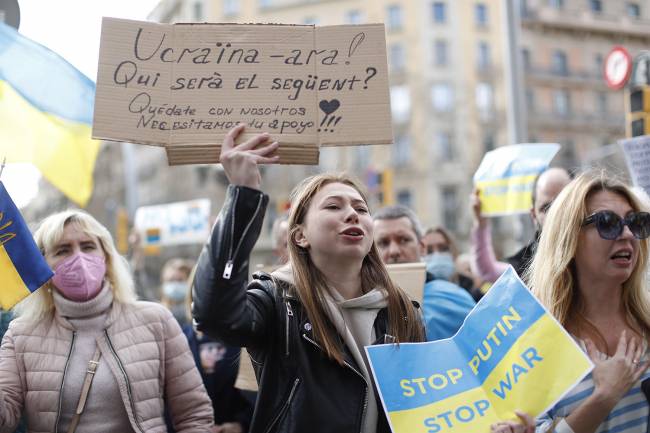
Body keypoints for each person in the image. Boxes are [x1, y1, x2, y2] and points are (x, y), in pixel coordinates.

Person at [192, 125, 425, 433]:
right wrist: (243, 196)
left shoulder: (404, 311)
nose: (353, 215)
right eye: (333, 206)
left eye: (361, 208)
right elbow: (214, 315)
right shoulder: (277, 302)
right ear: (300, 235)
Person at [0, 210, 213, 433]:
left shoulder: (156, 321)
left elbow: (194, 414)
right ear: (42, 265)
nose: (79, 257)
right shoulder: (20, 336)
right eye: (63, 250)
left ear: (106, 256)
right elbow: (5, 421)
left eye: (88, 246)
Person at [493, 171, 650, 433]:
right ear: (569, 237)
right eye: (607, 222)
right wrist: (604, 397)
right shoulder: (535, 343)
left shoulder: (645, 324)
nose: (627, 234)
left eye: (635, 222)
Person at [372, 205, 476, 340]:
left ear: (422, 247)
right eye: (383, 243)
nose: (394, 251)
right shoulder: (362, 306)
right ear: (371, 251)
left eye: (404, 240)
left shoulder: (455, 298)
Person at [471, 167, 572, 281]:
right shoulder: (524, 264)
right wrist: (481, 224)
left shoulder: (593, 247)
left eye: (563, 203)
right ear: (534, 215)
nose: (555, 214)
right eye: (546, 208)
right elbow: (487, 271)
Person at [422, 226, 481, 299]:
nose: (437, 255)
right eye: (429, 251)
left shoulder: (472, 290)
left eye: (443, 248)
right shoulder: (416, 296)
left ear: (454, 253)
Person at [160, 258, 195, 326]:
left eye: (180, 280)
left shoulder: (196, 313)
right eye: (171, 280)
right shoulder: (158, 311)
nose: (175, 284)